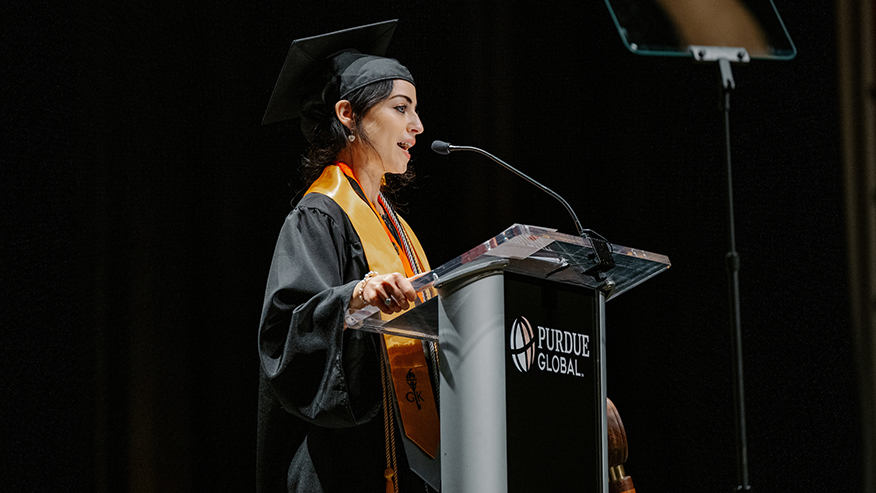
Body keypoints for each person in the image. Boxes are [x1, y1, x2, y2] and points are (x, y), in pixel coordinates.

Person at [257, 20, 439, 493]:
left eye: (415, 111)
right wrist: (355, 297)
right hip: (338, 463)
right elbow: (285, 330)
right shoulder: (319, 215)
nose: (417, 126)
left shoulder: (396, 228)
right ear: (348, 113)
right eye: (401, 109)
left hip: (402, 453)